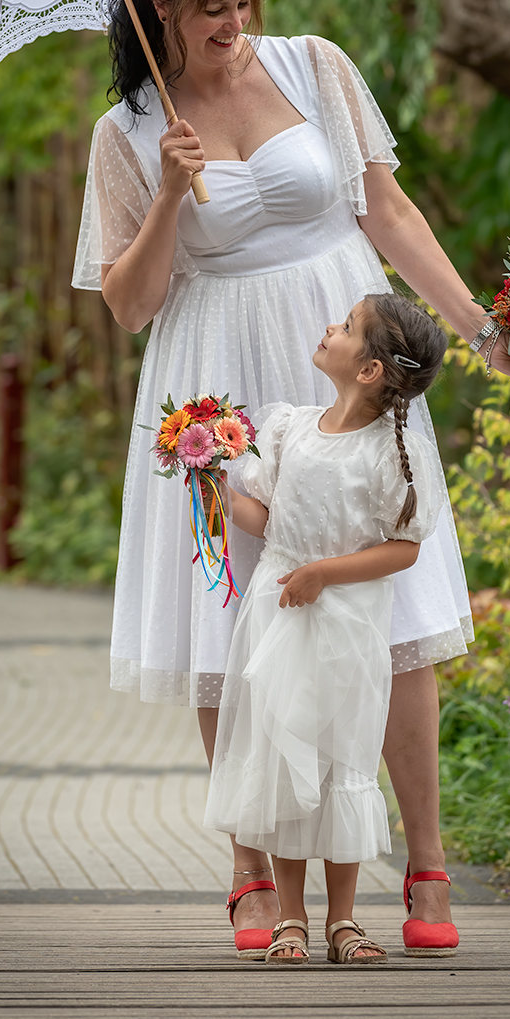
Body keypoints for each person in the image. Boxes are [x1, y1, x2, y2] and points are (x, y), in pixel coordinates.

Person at [71, 0, 510, 957]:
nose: (233, 22)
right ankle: (250, 872)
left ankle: (425, 862)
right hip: (215, 371)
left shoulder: (314, 66)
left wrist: (482, 333)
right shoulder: (126, 132)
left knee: (391, 606)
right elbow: (129, 305)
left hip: (346, 345)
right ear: (160, 7)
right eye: (211, 7)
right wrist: (169, 198)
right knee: (234, 614)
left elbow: (390, 215)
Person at [205, 295, 448, 965]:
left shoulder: (393, 452)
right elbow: (266, 517)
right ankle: (291, 917)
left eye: (343, 328)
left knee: (342, 758)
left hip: (344, 622)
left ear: (369, 370)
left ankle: (343, 918)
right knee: (285, 756)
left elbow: (403, 549)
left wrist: (324, 574)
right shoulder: (290, 428)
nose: (328, 329)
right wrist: (215, 484)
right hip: (279, 611)